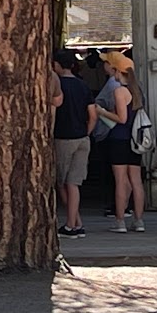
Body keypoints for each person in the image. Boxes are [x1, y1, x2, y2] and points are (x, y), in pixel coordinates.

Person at [95, 50, 146, 232]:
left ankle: (120, 221)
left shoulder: (119, 91)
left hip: (119, 139)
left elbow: (121, 118)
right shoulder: (137, 89)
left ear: (116, 71)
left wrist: (101, 112)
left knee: (120, 181)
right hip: (135, 139)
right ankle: (139, 220)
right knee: (136, 181)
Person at [52, 48, 97, 237]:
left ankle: (72, 224)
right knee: (74, 183)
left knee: (60, 182)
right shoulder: (83, 86)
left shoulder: (56, 85)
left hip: (63, 137)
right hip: (82, 138)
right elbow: (93, 115)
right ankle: (76, 223)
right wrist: (86, 132)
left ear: (56, 65)